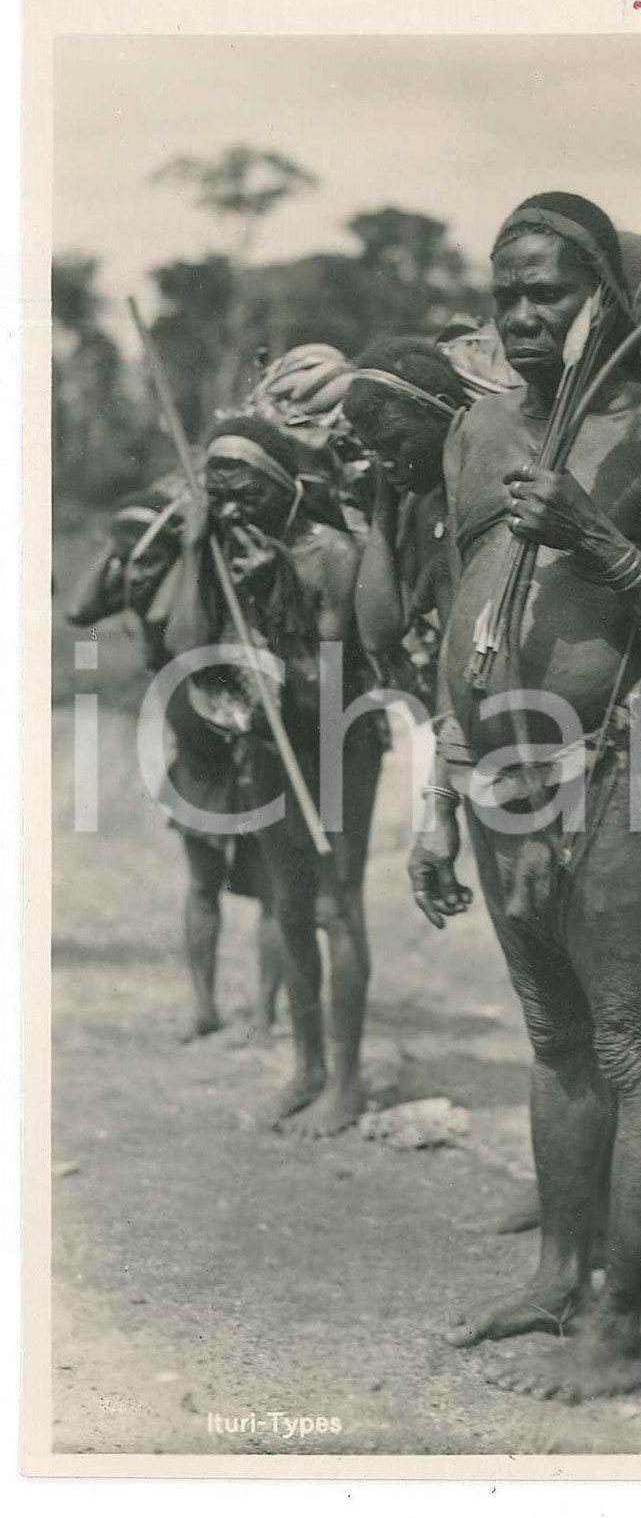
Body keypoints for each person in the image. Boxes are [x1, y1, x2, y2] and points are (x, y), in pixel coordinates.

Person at [407, 193, 641, 1401]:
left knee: (629, 1045)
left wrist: (596, 538)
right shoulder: (476, 431)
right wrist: (441, 790)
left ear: (601, 289)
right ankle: (558, 1275)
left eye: (548, 287)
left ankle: (621, 1325)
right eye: (506, 290)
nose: (524, 311)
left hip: (616, 776)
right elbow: (457, 618)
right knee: (554, 1039)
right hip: (497, 787)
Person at [166, 416, 383, 1134]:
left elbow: (325, 689)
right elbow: (186, 645)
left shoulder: (331, 555)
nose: (234, 505)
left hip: (338, 739)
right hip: (265, 740)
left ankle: (346, 1084)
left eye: (245, 488)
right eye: (220, 491)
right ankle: (307, 1069)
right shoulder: (228, 553)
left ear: (281, 482)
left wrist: (281, 583)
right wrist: (199, 550)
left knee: (334, 906)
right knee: (289, 908)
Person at [65, 481, 284, 1044]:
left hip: (247, 747)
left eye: (148, 560)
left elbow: (184, 634)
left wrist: (189, 548)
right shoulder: (141, 579)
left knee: (272, 891)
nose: (136, 572)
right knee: (202, 883)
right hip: (199, 758)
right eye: (130, 561)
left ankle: (265, 1014)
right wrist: (118, 549)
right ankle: (205, 1006)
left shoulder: (201, 579)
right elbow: (78, 609)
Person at [342, 337, 465, 710]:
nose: (387, 462)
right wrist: (385, 500)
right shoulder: (422, 508)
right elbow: (378, 632)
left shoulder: (503, 489)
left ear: (445, 413)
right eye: (374, 451)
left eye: (396, 443)